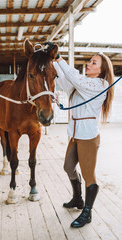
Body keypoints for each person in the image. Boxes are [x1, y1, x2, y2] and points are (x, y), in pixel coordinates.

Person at [52, 51, 114, 228]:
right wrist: (52, 61)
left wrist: (59, 59)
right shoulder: (83, 86)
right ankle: (78, 199)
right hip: (75, 134)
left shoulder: (101, 84)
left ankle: (87, 213)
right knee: (68, 167)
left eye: (94, 63)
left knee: (89, 176)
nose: (89, 64)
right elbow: (65, 81)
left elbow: (76, 79)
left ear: (101, 70)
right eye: (90, 61)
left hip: (88, 136)